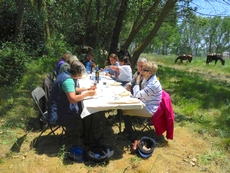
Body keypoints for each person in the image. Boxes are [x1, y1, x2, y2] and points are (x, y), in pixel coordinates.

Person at [48, 60, 97, 128]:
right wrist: (88, 94)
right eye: (80, 73)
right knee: (87, 111)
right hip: (60, 113)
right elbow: (72, 99)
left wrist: (87, 89)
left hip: (56, 108)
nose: (81, 75)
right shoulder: (68, 81)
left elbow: (71, 90)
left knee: (82, 105)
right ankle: (87, 132)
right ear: (77, 73)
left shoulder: (64, 74)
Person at [121, 61, 162, 141]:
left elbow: (137, 94)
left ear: (150, 72)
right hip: (145, 103)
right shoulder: (147, 79)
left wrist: (137, 82)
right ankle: (128, 130)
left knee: (125, 110)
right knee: (125, 107)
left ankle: (129, 133)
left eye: (144, 70)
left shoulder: (153, 84)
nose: (141, 71)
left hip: (150, 109)